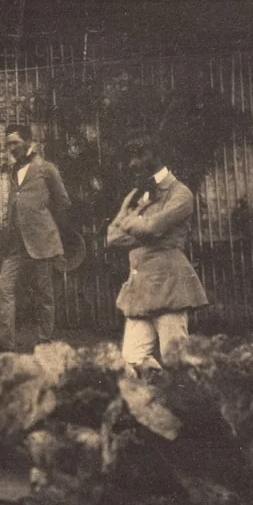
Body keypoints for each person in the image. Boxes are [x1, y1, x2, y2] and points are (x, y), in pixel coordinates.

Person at [106, 138, 208, 369]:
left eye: (137, 156)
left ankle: (185, 404)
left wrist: (138, 226)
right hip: (139, 288)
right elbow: (113, 236)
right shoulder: (136, 195)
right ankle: (152, 401)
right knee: (131, 362)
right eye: (130, 157)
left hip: (168, 286)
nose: (131, 164)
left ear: (153, 155)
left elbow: (153, 228)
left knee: (177, 361)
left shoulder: (180, 194)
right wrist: (142, 225)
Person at [0, 123, 72, 351]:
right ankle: (7, 342)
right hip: (17, 243)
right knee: (3, 285)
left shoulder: (46, 168)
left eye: (15, 143)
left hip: (41, 242)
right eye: (8, 144)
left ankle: (44, 341)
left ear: (29, 142)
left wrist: (48, 227)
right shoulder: (12, 170)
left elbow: (63, 201)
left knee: (44, 293)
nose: (11, 148)